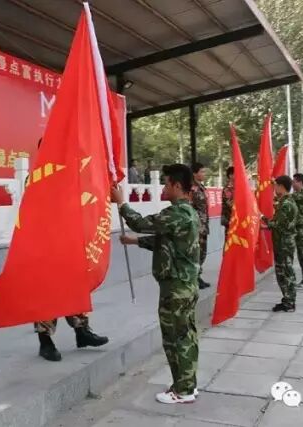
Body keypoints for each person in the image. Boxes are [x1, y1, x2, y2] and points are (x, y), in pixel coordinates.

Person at [112, 164, 200, 404]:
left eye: (166, 183)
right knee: (186, 336)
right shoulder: (187, 212)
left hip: (176, 287)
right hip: (184, 285)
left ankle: (182, 391)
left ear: (177, 186)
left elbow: (141, 223)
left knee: (175, 339)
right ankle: (187, 384)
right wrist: (135, 242)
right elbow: (166, 241)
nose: (163, 188)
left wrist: (121, 203)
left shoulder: (177, 213)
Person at [33, 136, 109, 362]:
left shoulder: (71, 174)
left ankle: (82, 331)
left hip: (71, 244)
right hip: (47, 247)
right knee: (48, 295)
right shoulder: (38, 176)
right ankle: (45, 341)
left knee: (76, 288)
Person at [262, 175, 298, 312]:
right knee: (282, 272)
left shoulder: (286, 204)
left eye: (276, 186)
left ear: (281, 187)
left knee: (286, 272)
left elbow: (277, 224)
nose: (274, 188)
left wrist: (262, 220)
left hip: (284, 243)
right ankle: (287, 299)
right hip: (283, 242)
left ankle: (290, 302)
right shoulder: (286, 201)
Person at [190, 162, 211, 289]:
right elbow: (189, 208)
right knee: (196, 253)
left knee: (202, 253)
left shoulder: (201, 187)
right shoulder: (191, 189)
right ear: (194, 173)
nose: (204, 174)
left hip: (203, 226)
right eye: (202, 172)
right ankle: (194, 278)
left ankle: (197, 276)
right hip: (196, 226)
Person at [221, 166, 235, 242]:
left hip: (237, 220)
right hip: (230, 219)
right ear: (230, 175)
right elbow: (230, 204)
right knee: (229, 241)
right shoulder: (227, 189)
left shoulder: (238, 187)